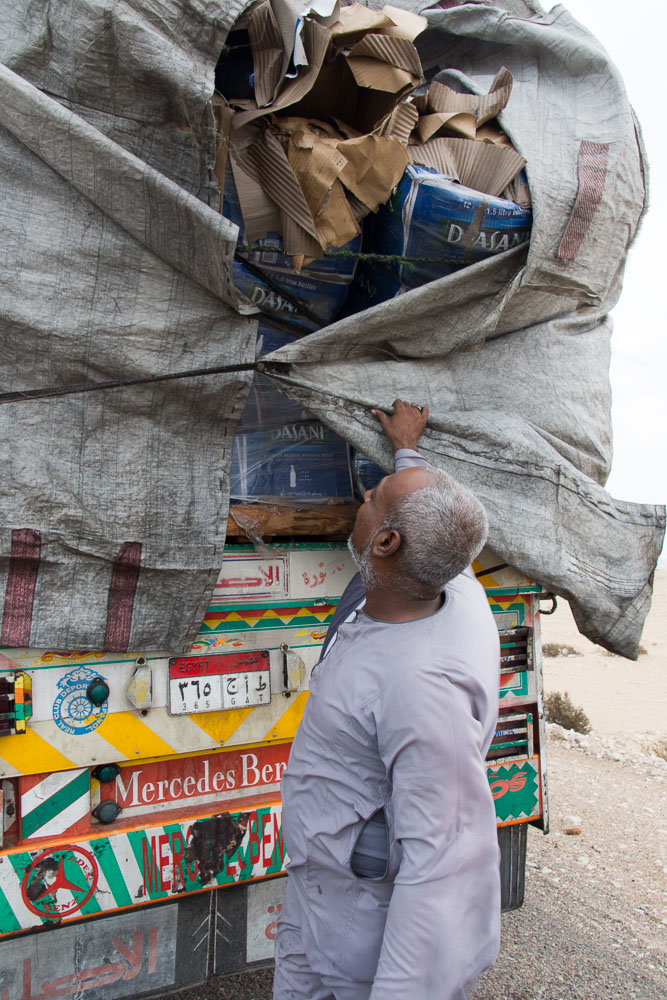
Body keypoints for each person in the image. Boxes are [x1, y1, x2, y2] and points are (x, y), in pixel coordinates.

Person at [274, 399, 501, 1000]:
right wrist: (407, 449)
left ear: (386, 542)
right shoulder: (447, 580)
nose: (367, 492)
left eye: (376, 499)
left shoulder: (423, 690)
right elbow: (443, 528)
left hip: (356, 927)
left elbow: (443, 871)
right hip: (317, 892)